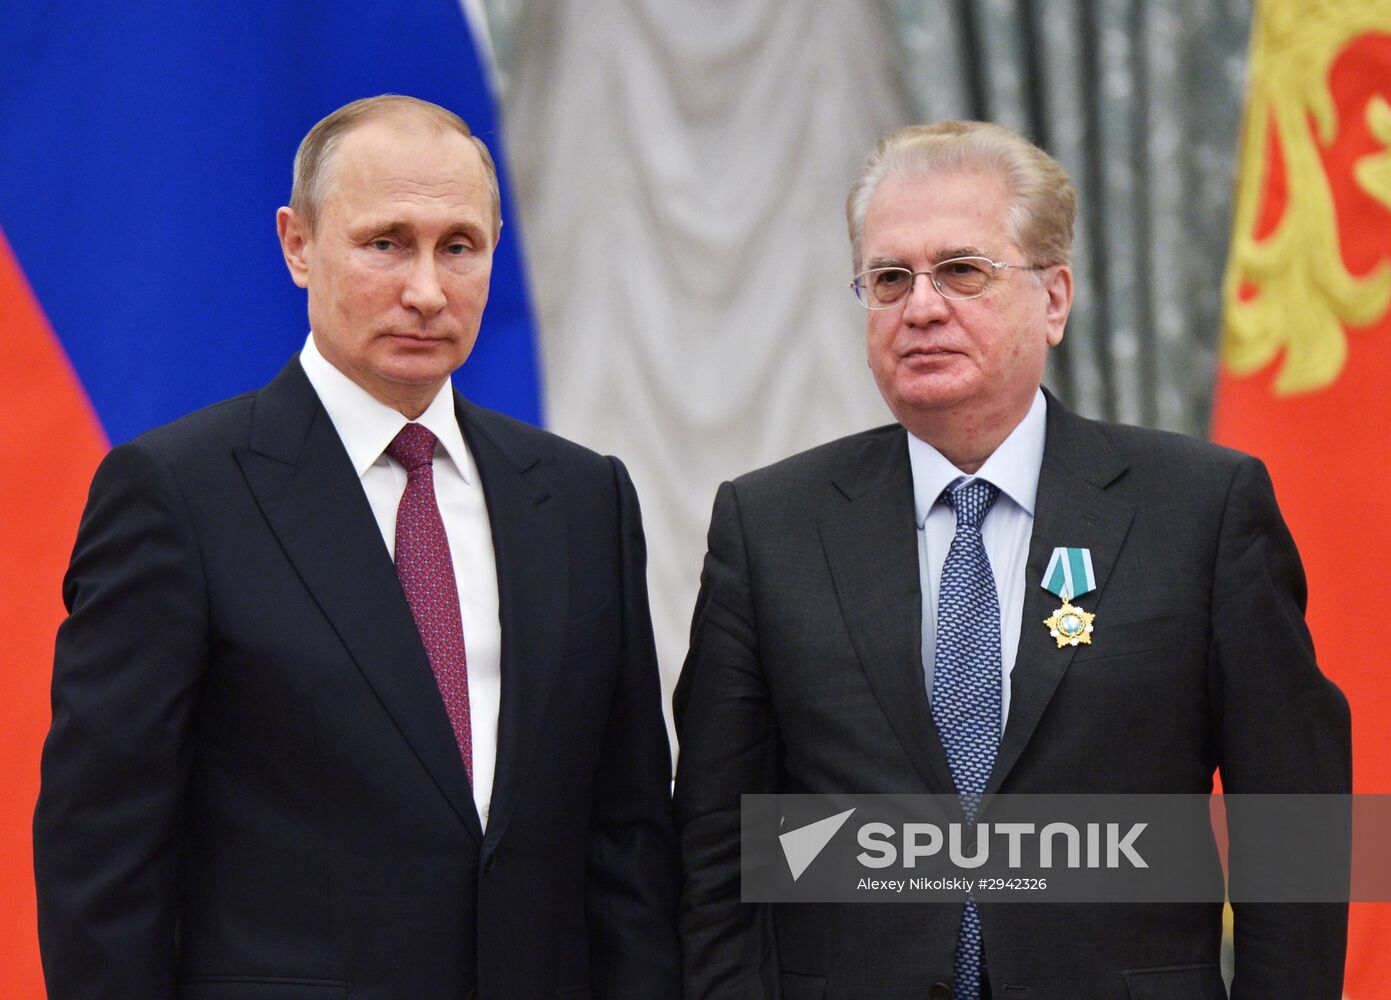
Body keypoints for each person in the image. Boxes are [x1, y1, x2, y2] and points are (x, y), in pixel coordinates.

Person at [673, 121, 1350, 1000]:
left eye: (961, 270)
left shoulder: (1199, 509)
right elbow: (715, 846)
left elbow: (1291, 829)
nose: (920, 307)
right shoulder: (769, 527)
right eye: (887, 279)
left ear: (1054, 298)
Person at [34, 94, 680, 1000]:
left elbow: (628, 834)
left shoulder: (581, 497)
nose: (426, 289)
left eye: (459, 246)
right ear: (297, 244)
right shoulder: (177, 493)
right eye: (385, 243)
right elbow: (102, 850)